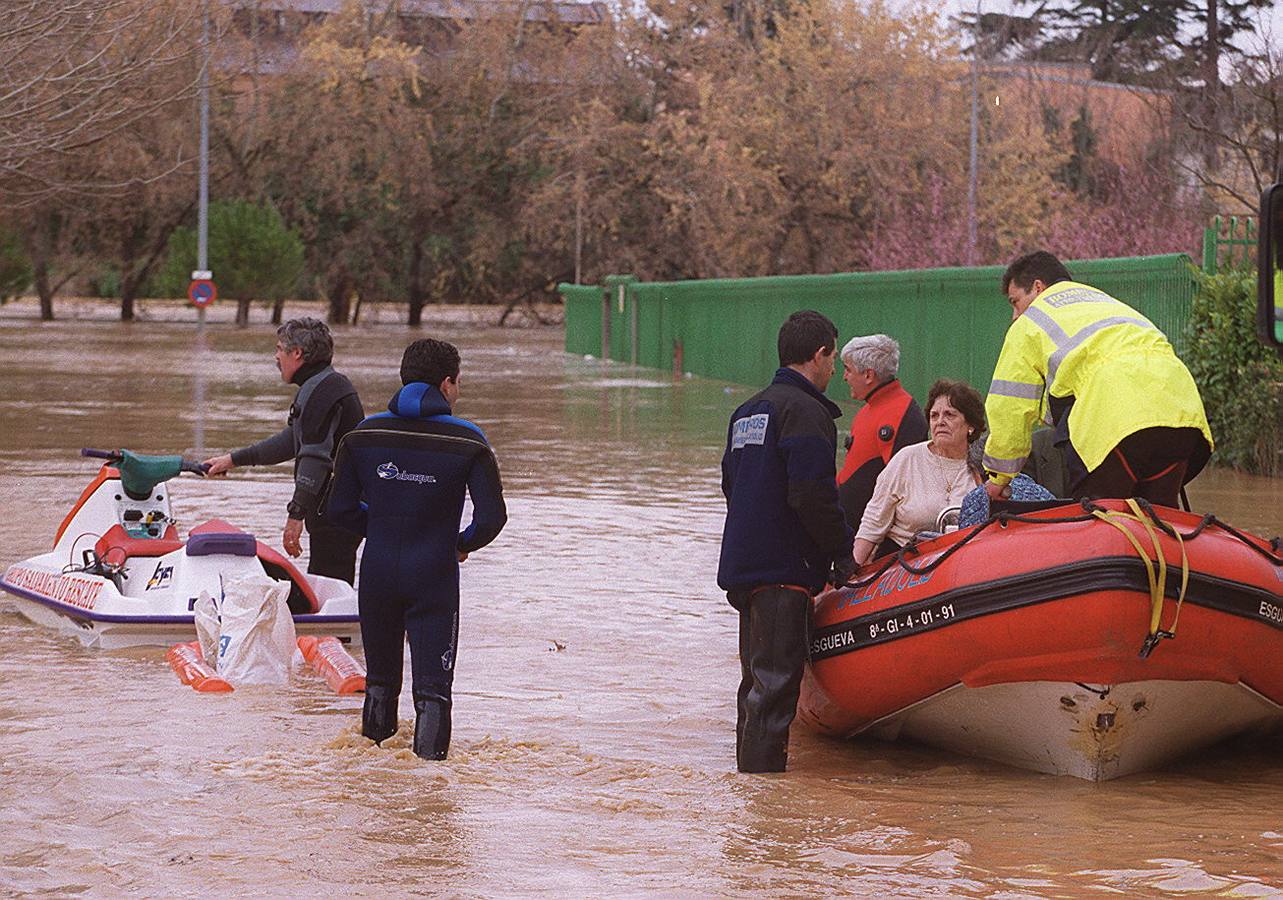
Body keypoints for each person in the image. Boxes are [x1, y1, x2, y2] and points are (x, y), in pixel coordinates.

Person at [325, 338, 507, 760]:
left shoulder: (364, 435)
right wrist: (460, 544)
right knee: (433, 693)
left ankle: (372, 780)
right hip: (434, 574)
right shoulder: (469, 440)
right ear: (446, 384)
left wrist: (384, 526)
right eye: (458, 383)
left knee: (380, 684)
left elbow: (339, 509)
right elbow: (492, 518)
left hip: (378, 570)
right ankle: (428, 794)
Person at [717, 310, 856, 774]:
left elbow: (730, 484)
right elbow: (814, 493)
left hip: (745, 565)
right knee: (775, 689)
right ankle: (764, 807)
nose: (835, 368)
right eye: (833, 357)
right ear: (818, 355)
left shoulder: (747, 412)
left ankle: (749, 793)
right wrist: (839, 552)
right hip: (784, 570)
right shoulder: (806, 412)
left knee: (754, 685)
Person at [982, 251, 1213, 508]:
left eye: (1015, 302)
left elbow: (1010, 407)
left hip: (1113, 427)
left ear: (1038, 288)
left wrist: (999, 477)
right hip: (1184, 420)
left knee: (1101, 523)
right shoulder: (1106, 304)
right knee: (1162, 522)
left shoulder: (1031, 321)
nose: (1014, 315)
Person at [203, 317, 364, 583]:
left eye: (279, 349)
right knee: (329, 581)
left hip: (336, 508)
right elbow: (292, 442)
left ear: (297, 353)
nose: (276, 357)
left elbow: (314, 457)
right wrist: (232, 460)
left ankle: (336, 625)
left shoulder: (322, 392)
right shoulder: (323, 385)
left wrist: (296, 514)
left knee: (330, 584)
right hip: (338, 504)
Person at [853, 379, 985, 564]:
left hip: (960, 565)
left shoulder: (981, 468)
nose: (940, 422)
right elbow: (873, 521)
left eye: (950, 415)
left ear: (970, 425)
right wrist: (854, 567)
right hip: (901, 565)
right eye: (934, 416)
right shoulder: (907, 459)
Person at [835, 334, 928, 529]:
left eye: (848, 369)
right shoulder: (868, 409)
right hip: (854, 535)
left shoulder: (903, 414)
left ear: (868, 375)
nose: (844, 377)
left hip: (876, 545)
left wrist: (871, 543)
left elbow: (901, 491)